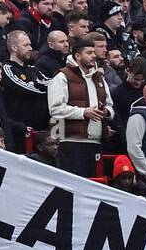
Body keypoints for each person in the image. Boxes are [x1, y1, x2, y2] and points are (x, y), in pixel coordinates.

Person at [46, 35, 110, 178]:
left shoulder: (99, 78)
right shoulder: (62, 77)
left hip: (96, 142)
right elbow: (55, 109)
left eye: (94, 52)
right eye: (89, 53)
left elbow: (110, 105)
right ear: (77, 56)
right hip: (71, 142)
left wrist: (106, 112)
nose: (94, 56)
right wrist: (83, 112)